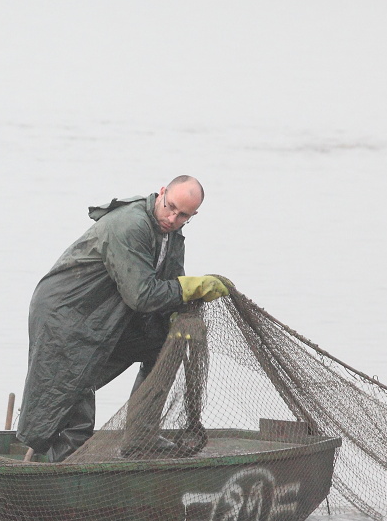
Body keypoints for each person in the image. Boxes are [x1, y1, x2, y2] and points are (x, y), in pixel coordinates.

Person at [16, 175, 230, 462]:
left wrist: (181, 309)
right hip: (66, 313)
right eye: (170, 207)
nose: (172, 218)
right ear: (162, 192)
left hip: (106, 316)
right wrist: (190, 288)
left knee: (165, 342)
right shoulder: (130, 224)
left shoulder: (172, 233)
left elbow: (167, 287)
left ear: (193, 215)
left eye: (183, 215)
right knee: (73, 397)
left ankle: (141, 437)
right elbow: (141, 296)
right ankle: (66, 472)